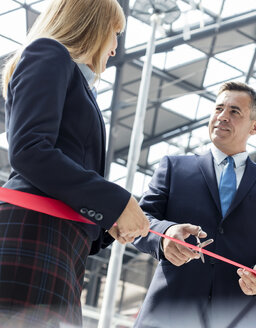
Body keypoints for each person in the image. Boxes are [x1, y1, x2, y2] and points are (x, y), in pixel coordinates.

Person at [0, 0, 149, 326]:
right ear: (91, 24)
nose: (115, 48)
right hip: (36, 229)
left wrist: (110, 220)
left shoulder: (71, 78)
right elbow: (29, 149)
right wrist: (116, 201)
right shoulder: (48, 52)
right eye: (115, 33)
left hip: (55, 236)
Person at [133, 81, 256, 328]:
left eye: (234, 112)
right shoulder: (174, 168)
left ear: (254, 127)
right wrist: (165, 235)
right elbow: (140, 221)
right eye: (218, 108)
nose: (222, 117)